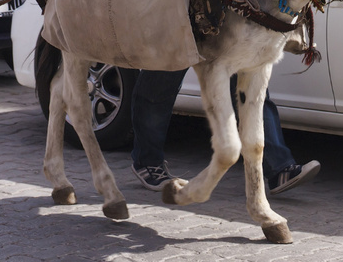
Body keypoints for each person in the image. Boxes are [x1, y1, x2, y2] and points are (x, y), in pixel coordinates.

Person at [131, 69, 321, 196]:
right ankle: (148, 160)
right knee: (161, 80)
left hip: (223, 15)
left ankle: (279, 169)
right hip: (180, 15)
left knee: (249, 86)